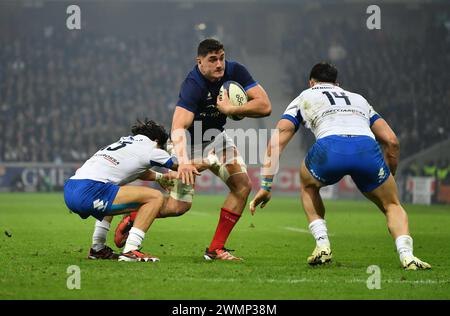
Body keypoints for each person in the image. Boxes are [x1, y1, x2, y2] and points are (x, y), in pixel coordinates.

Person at [250, 62, 431, 270]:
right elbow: (392, 141)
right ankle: (407, 256)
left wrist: (266, 185)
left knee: (308, 186)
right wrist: (386, 176)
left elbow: (277, 142)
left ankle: (322, 244)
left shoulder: (304, 97)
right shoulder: (359, 99)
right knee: (392, 205)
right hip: (366, 148)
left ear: (311, 82)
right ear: (338, 83)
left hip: (330, 148)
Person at [170, 38, 272, 260]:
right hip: (189, 141)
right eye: (213, 60)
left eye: (222, 58)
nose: (219, 64)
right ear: (200, 62)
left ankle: (215, 249)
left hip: (215, 138)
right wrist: (184, 160)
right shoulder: (193, 84)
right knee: (178, 207)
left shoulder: (236, 71)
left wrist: (232, 108)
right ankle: (133, 218)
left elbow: (265, 106)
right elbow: (178, 126)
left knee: (243, 186)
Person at [64, 119, 214, 262]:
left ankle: (98, 249)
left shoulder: (125, 142)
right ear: (157, 141)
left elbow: (136, 170)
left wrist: (160, 177)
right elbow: (184, 166)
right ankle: (130, 250)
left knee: (113, 190)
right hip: (91, 191)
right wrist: (210, 160)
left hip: (71, 188)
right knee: (155, 197)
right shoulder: (151, 148)